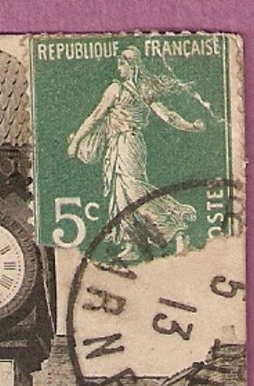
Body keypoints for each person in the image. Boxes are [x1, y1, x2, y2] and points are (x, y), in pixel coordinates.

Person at [67, 46, 207, 262]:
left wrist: (191, 127)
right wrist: (76, 141)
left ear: (132, 66)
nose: (119, 69)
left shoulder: (128, 89)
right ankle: (131, 243)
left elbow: (167, 116)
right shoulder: (122, 88)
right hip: (115, 145)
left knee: (134, 191)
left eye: (122, 64)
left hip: (129, 144)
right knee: (119, 194)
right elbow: (96, 116)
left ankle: (177, 231)